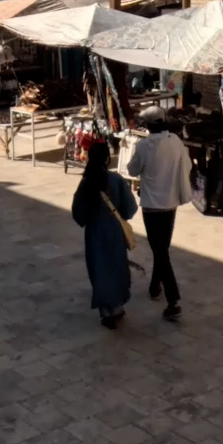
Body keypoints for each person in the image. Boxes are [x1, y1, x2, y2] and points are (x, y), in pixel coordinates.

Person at [126, 106, 191, 321]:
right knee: (161, 248)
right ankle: (155, 287)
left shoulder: (144, 145)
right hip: (170, 203)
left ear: (149, 125)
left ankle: (174, 301)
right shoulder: (176, 141)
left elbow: (132, 170)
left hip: (152, 206)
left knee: (160, 250)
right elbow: (187, 165)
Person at [72, 141, 138, 329]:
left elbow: (78, 213)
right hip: (114, 231)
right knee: (116, 268)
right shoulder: (116, 180)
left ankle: (106, 311)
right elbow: (130, 209)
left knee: (99, 270)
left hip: (94, 233)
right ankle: (117, 307)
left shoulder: (86, 183)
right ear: (107, 158)